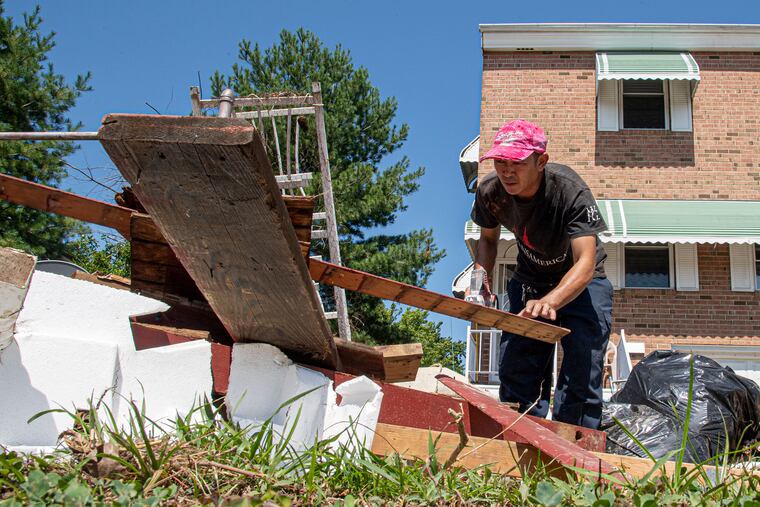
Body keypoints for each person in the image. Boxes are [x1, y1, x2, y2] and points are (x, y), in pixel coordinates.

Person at [470, 119, 612, 430]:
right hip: (530, 280)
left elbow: (585, 263)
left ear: (541, 161)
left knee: (581, 371)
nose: (507, 171)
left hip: (583, 284)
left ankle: (576, 454)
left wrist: (552, 300)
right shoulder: (491, 192)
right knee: (519, 367)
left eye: (517, 163)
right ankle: (519, 441)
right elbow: (488, 240)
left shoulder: (570, 191)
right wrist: (480, 277)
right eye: (500, 162)